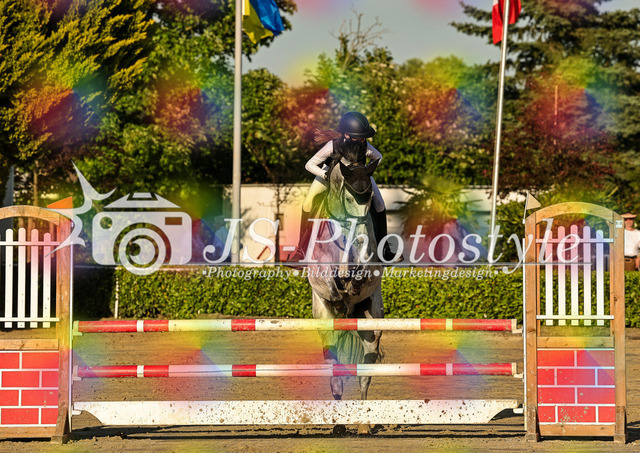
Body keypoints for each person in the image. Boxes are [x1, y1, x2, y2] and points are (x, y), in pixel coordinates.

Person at [287, 111, 400, 264]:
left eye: (363, 137)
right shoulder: (332, 146)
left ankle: (384, 249)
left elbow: (378, 157)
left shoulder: (365, 145)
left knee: (379, 203)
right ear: (347, 135)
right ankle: (301, 250)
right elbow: (309, 164)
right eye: (360, 137)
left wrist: (364, 171)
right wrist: (325, 175)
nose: (363, 140)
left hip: (357, 175)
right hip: (329, 174)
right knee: (307, 203)